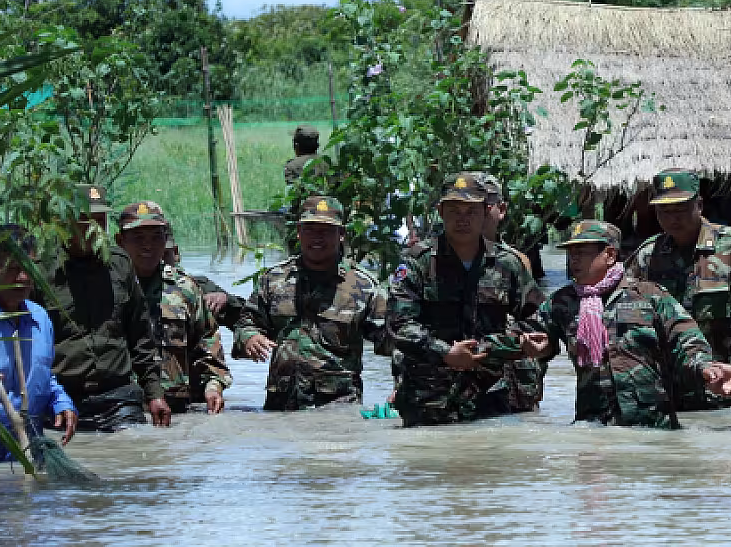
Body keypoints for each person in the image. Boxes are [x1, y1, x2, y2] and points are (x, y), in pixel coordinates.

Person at [538, 221, 731, 428]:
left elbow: (685, 339)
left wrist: (705, 367)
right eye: (571, 253)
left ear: (609, 255)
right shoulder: (561, 302)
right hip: (592, 426)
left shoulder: (649, 295)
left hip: (651, 423)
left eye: (581, 252)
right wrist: (531, 345)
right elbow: (530, 332)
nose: (573, 260)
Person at [387, 172, 550, 427]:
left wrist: (524, 341)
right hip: (430, 401)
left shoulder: (508, 264)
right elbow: (399, 325)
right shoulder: (417, 263)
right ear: (441, 211)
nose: (463, 220)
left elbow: (537, 318)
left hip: (494, 398)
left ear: (486, 212)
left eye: (471, 211)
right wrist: (446, 353)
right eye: (454, 211)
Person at [233, 196, 387, 410]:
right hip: (281, 406)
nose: (317, 237)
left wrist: (402, 386)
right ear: (298, 232)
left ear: (341, 234)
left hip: (339, 407)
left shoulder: (364, 286)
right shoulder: (275, 279)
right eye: (310, 229)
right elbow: (246, 323)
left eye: (325, 231)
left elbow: (393, 342)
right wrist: (250, 338)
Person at [39, 184, 171, 431]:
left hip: (117, 399)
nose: (94, 230)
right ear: (64, 223)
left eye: (101, 221)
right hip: (60, 400)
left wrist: (154, 394)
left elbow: (140, 337)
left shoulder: (120, 266)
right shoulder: (43, 271)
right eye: (85, 221)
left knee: (134, 452)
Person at [625, 169, 731, 410]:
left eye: (681, 209)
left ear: (699, 205)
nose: (673, 218)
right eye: (665, 211)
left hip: (727, 388)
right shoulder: (647, 256)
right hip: (668, 392)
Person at [0, 225, 77, 463]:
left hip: (27, 458)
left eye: (28, 268)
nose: (23, 278)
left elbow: (43, 377)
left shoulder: (40, 318)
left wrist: (61, 403)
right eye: (13, 269)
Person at [116, 201, 232, 414]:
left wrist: (213, 387)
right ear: (120, 241)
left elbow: (208, 344)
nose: (148, 246)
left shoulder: (185, 288)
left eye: (156, 237)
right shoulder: (108, 286)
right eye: (138, 239)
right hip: (122, 410)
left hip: (176, 410)